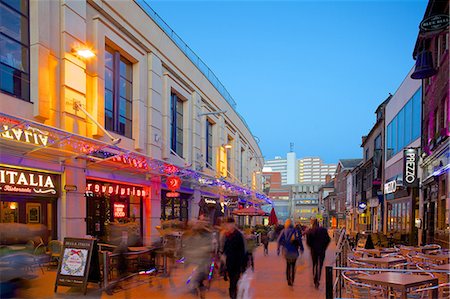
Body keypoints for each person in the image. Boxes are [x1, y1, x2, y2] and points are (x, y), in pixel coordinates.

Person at [222, 217, 246, 299]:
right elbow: (225, 248)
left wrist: (242, 264)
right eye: (227, 224)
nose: (227, 226)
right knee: (232, 280)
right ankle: (233, 293)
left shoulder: (238, 235)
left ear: (233, 224)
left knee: (234, 281)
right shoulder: (227, 235)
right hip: (229, 262)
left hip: (237, 262)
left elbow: (242, 250)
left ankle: (233, 294)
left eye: (229, 224)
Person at [277, 219, 304, 286]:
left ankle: (288, 280)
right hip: (294, 251)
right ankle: (292, 279)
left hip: (286, 251)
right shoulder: (296, 231)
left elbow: (279, 240)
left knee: (288, 265)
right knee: (293, 265)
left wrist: (279, 249)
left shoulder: (283, 231)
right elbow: (299, 240)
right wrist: (301, 248)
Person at [306, 218, 331, 289]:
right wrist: (324, 247)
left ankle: (315, 278)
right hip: (321, 250)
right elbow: (328, 240)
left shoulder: (310, 231)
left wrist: (311, 247)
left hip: (314, 251)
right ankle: (318, 278)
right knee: (320, 265)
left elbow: (308, 242)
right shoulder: (323, 230)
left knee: (314, 264)